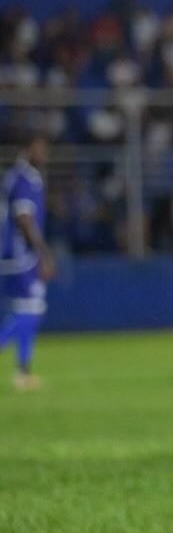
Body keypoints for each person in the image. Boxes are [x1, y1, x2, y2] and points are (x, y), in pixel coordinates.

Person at [0, 132, 55, 391]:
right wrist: (43, 253)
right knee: (31, 309)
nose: (43, 154)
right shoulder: (24, 180)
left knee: (27, 309)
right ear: (27, 149)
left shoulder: (20, 177)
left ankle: (23, 373)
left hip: (14, 254)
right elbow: (24, 219)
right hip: (21, 255)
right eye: (39, 149)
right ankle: (22, 369)